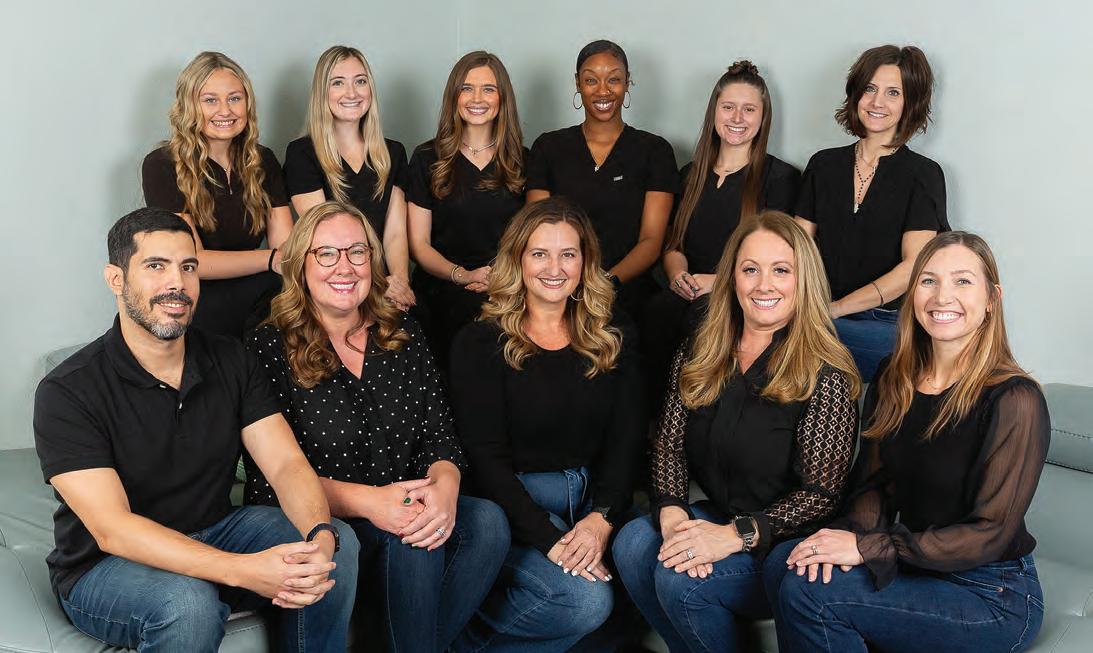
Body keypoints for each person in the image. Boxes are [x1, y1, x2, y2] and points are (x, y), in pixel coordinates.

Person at [32, 207, 358, 652]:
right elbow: (114, 529)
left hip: (215, 530)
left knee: (338, 545)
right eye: (156, 266)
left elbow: (284, 463)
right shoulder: (68, 390)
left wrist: (319, 536)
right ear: (115, 279)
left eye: (188, 267)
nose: (177, 283)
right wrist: (242, 571)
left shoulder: (231, 359)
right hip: (105, 566)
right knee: (188, 602)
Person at [243, 200, 510, 652]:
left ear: (373, 260)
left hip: (400, 505)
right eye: (326, 253)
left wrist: (445, 486)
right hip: (329, 519)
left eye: (357, 252)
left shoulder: (402, 331)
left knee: (486, 522)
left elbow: (439, 434)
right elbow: (268, 482)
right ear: (301, 264)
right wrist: (374, 503)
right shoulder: (267, 346)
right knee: (411, 535)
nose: (344, 267)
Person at [766, 231, 1050, 653]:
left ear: (993, 298)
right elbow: (874, 486)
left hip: (991, 593)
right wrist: (846, 539)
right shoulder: (893, 377)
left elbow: (990, 532)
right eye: (928, 280)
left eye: (963, 281)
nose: (942, 296)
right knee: (787, 561)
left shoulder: (1015, 399)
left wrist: (869, 548)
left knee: (809, 594)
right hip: (917, 565)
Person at [612, 211, 860, 652]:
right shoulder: (702, 348)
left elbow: (821, 496)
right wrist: (673, 513)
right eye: (750, 270)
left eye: (781, 270)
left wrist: (733, 535)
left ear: (804, 280)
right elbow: (669, 445)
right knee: (632, 543)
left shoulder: (826, 370)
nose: (764, 285)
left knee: (679, 580)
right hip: (721, 515)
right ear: (732, 278)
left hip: (785, 543)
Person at [449, 197, 645, 652]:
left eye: (568, 254)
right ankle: (456, 643)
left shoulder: (613, 332)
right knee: (586, 602)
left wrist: (602, 517)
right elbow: (485, 459)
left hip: (592, 497)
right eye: (539, 253)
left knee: (644, 566)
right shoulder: (479, 341)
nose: (554, 268)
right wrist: (549, 538)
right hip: (513, 505)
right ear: (517, 260)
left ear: (585, 262)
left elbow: (627, 438)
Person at [646, 60, 801, 401]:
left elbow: (780, 260)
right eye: (728, 107)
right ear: (714, 111)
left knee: (702, 320)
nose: (737, 118)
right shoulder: (690, 174)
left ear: (763, 117)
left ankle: (698, 414)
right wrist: (678, 275)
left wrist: (716, 282)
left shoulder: (780, 179)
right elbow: (673, 244)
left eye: (749, 109)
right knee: (653, 313)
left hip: (740, 293)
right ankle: (658, 419)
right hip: (687, 290)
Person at [795, 45, 948, 380]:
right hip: (816, 312)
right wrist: (807, 308)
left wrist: (834, 311)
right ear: (856, 94)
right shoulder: (823, 165)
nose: (878, 102)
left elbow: (913, 267)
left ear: (910, 103)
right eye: (870, 89)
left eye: (893, 92)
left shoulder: (923, 175)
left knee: (804, 338)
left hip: (883, 323)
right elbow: (796, 249)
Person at [143, 51, 293, 339]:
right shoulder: (162, 164)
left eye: (235, 98)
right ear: (189, 106)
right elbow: (192, 260)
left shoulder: (263, 160)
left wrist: (279, 259)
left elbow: (287, 248)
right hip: (199, 301)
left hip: (262, 292)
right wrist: (271, 258)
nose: (225, 111)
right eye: (210, 100)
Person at [526, 39, 678, 322]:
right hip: (559, 289)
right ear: (577, 83)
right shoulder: (548, 148)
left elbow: (651, 240)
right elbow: (537, 232)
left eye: (614, 79)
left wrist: (605, 284)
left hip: (627, 293)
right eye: (591, 80)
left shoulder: (655, 151)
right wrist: (565, 284)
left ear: (627, 83)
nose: (603, 90)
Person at [406, 50, 527, 366]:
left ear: (502, 98)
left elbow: (533, 240)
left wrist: (501, 277)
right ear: (454, 96)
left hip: (508, 288)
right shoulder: (426, 158)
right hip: (442, 287)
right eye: (467, 88)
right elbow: (418, 245)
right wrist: (461, 275)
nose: (477, 98)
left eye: (488, 89)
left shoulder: (524, 160)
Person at [283, 45, 416, 312]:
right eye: (338, 83)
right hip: (333, 283)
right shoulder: (301, 154)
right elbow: (327, 239)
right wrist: (376, 284)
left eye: (360, 81)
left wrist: (399, 281)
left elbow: (395, 233)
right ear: (322, 93)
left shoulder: (393, 152)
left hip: (387, 286)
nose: (352, 93)